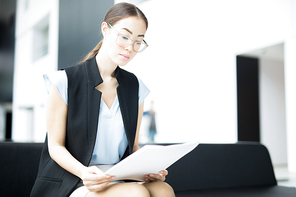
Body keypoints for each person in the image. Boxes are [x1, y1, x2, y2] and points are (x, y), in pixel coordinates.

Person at [30, 2, 175, 197]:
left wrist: (148, 170)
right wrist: (84, 173)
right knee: (135, 193)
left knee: (163, 190)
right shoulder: (64, 81)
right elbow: (55, 147)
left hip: (117, 176)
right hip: (76, 179)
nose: (130, 48)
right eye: (124, 37)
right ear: (105, 29)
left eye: (138, 42)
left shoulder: (136, 87)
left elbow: (132, 147)